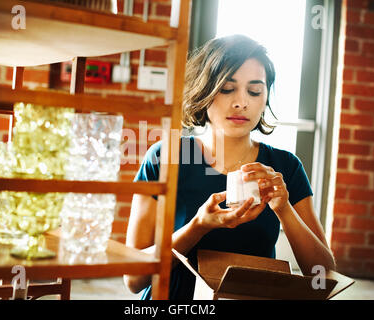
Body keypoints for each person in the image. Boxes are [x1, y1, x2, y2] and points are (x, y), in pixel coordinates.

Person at [123, 34, 336, 300]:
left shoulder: (285, 167)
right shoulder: (165, 157)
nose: (241, 102)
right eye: (227, 88)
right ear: (204, 91)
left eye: (254, 91)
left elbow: (322, 277)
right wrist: (198, 226)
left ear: (265, 97)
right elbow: (133, 279)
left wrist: (284, 208)